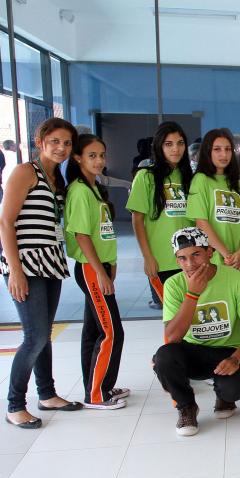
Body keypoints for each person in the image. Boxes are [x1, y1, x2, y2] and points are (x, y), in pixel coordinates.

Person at [1, 118, 82, 428]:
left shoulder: (55, 178)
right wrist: (15, 271)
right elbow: (6, 222)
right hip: (27, 264)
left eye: (67, 143)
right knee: (34, 337)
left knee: (44, 334)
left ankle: (47, 394)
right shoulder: (25, 172)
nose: (61, 148)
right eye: (55, 141)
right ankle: (14, 404)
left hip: (49, 262)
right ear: (40, 141)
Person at [153, 227, 240, 436]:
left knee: (232, 388)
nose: (190, 264)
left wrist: (237, 359)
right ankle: (187, 406)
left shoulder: (236, 279)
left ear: (210, 252)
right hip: (191, 350)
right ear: (177, 261)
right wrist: (192, 294)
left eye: (196, 255)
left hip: (226, 351)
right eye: (182, 258)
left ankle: (224, 397)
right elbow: (172, 336)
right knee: (163, 358)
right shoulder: (174, 285)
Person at [64, 134, 129, 410]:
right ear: (78, 158)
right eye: (92, 155)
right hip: (91, 268)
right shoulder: (79, 190)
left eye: (102, 155)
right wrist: (100, 273)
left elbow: (102, 232)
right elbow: (81, 235)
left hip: (100, 266)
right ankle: (97, 395)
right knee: (112, 331)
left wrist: (110, 265)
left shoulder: (94, 188)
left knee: (94, 331)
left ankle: (99, 384)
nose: (99, 160)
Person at [127, 121, 194, 310]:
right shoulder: (146, 177)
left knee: (193, 317)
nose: (175, 149)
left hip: (190, 260)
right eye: (169, 144)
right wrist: (148, 257)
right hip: (162, 260)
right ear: (159, 146)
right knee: (172, 319)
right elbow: (137, 220)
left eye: (180, 143)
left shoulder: (190, 178)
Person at [187, 128, 240, 271]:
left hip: (237, 261)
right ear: (207, 152)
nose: (224, 154)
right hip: (214, 259)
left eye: (228, 149)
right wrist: (226, 254)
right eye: (217, 149)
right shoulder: (201, 180)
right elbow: (201, 222)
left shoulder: (236, 182)